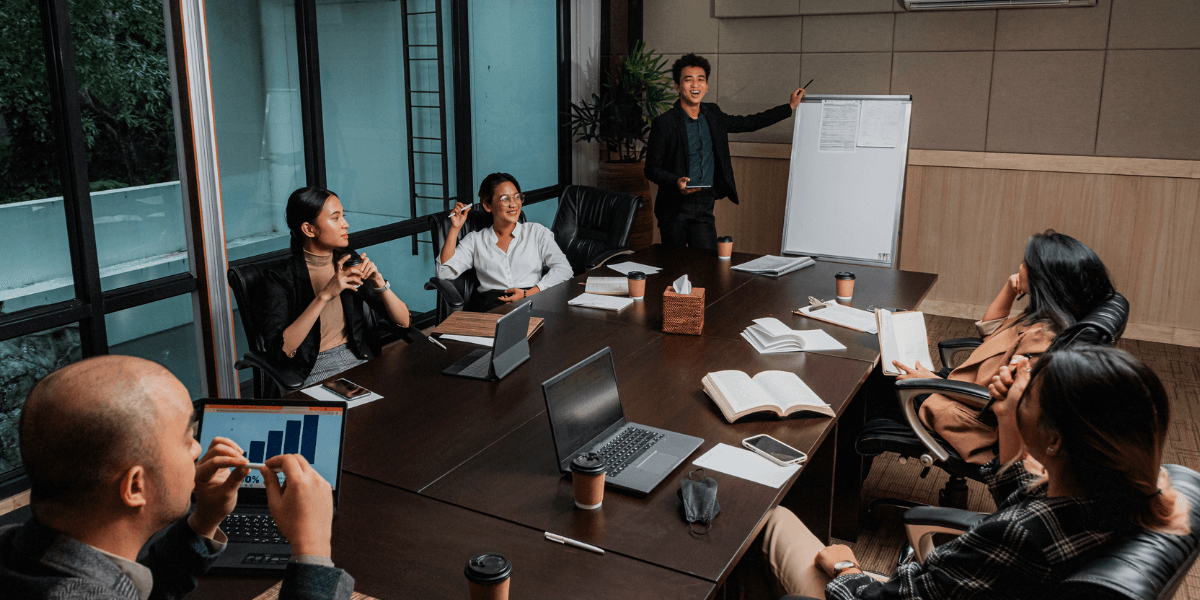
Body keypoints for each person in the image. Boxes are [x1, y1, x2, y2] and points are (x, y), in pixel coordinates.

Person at [762, 346, 1190, 599]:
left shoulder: (1020, 535)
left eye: (1031, 394)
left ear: (1055, 441)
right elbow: (1026, 498)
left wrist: (846, 570)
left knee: (768, 519)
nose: (1020, 390)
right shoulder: (1124, 494)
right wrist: (1008, 416)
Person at [0, 355, 353, 600]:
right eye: (187, 438)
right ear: (135, 486)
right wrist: (312, 551)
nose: (198, 449)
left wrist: (205, 519)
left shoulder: (17, 550)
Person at [891, 230, 1116, 465]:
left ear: (1043, 279)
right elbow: (990, 331)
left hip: (973, 418)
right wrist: (1010, 288)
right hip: (966, 391)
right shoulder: (1050, 316)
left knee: (881, 385)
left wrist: (931, 380)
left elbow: (1004, 401)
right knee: (892, 371)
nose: (1019, 267)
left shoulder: (1043, 338)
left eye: (1025, 263)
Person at [644, 53, 806, 249]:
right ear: (677, 86)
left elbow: (749, 123)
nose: (695, 85)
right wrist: (676, 181)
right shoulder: (664, 123)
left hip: (704, 202)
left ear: (706, 86)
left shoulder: (713, 114)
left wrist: (789, 107)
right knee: (675, 264)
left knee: (707, 262)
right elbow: (651, 169)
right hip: (674, 206)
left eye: (700, 79)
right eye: (688, 80)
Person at [263, 186, 411, 388]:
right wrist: (324, 295)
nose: (346, 224)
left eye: (343, 216)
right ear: (309, 229)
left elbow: (404, 321)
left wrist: (379, 282)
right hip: (312, 368)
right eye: (335, 218)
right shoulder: (280, 277)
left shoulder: (348, 261)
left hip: (359, 357)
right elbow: (281, 350)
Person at [438, 172, 572, 312]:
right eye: (505, 199)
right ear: (487, 205)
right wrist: (455, 228)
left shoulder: (537, 232)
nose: (513, 204)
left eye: (517, 197)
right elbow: (444, 272)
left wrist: (529, 293)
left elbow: (564, 269)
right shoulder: (475, 240)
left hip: (532, 301)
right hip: (491, 307)